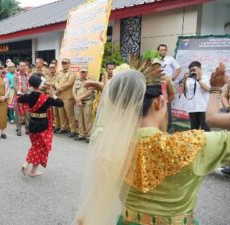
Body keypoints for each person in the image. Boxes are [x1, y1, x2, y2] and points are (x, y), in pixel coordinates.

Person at [74, 59, 230, 225]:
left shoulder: (106, 141)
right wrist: (214, 97)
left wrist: (108, 90)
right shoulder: (192, 144)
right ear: (159, 102)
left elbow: (106, 119)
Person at [19, 74, 64, 177]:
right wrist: (54, 95)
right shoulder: (46, 98)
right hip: (43, 125)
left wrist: (21, 91)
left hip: (32, 124)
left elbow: (19, 99)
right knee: (40, 147)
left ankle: (33, 171)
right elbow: (61, 104)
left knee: (37, 146)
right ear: (41, 85)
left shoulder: (28, 96)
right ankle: (27, 163)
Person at [182, 61, 210, 131]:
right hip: (193, 108)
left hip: (204, 108)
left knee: (205, 130)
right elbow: (184, 90)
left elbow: (208, 89)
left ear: (200, 68)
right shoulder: (189, 79)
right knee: (194, 130)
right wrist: (185, 79)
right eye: (191, 70)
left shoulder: (207, 77)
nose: (192, 72)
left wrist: (198, 80)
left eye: (194, 70)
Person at [55, 58, 77, 137]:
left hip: (68, 97)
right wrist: (57, 88)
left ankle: (73, 130)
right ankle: (63, 127)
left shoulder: (72, 73)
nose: (64, 64)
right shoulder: (60, 73)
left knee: (69, 114)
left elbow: (69, 83)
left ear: (69, 64)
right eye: (63, 63)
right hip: (60, 96)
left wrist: (59, 89)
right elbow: (56, 82)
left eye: (66, 63)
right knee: (61, 113)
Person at [72, 68, 94, 142]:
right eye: (81, 72)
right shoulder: (77, 80)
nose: (83, 73)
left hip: (87, 102)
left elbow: (89, 92)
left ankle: (89, 136)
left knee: (87, 119)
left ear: (87, 72)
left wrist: (79, 99)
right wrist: (77, 99)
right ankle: (81, 134)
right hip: (78, 102)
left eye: (84, 72)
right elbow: (73, 91)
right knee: (79, 119)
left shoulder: (90, 81)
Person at [14, 61, 30, 136]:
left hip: (27, 97)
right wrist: (20, 91)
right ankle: (19, 129)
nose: (23, 67)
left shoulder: (28, 75)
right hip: (19, 97)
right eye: (21, 66)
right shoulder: (16, 75)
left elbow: (30, 86)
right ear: (18, 67)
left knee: (27, 114)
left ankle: (27, 129)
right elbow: (15, 86)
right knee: (18, 114)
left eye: (24, 66)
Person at [45, 63, 61, 133]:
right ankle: (50, 125)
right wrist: (52, 83)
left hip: (55, 95)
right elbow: (44, 83)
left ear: (56, 67)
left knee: (55, 113)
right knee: (48, 112)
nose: (52, 69)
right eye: (50, 67)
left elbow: (56, 83)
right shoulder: (47, 75)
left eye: (53, 67)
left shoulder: (58, 75)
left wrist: (49, 83)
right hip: (47, 95)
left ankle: (57, 126)